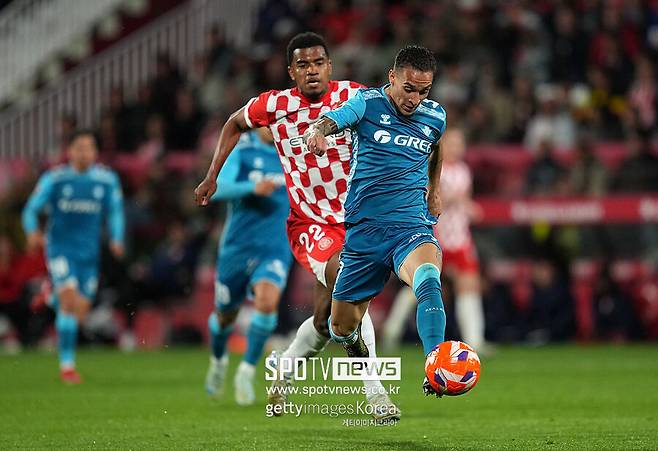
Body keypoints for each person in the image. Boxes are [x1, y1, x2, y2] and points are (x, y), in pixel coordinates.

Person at [194, 32, 398, 419]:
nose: (312, 70)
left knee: (325, 322)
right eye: (303, 65)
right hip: (310, 223)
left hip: (356, 221)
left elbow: (392, 127)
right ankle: (376, 394)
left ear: (330, 66)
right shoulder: (274, 105)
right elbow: (233, 124)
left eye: (318, 63)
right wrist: (212, 176)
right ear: (292, 71)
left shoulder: (355, 97)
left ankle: (283, 373)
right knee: (349, 281)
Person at [304, 45, 447, 396]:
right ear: (392, 77)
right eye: (408, 89)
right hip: (364, 233)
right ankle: (353, 342)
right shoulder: (367, 104)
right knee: (339, 327)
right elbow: (330, 120)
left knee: (428, 279)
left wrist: (434, 190)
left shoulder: (435, 116)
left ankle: (436, 365)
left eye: (424, 91)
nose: (415, 99)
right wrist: (316, 133)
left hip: (410, 226)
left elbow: (435, 147)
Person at [22, 129, 125, 383]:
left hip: (89, 255)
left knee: (79, 312)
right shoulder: (55, 179)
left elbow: (115, 211)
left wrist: (117, 238)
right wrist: (32, 231)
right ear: (69, 151)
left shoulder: (106, 180)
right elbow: (30, 210)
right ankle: (67, 366)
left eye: (88, 148)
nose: (83, 153)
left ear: (95, 152)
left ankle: (50, 295)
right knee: (68, 303)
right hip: (60, 250)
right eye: (79, 148)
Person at [382, 127, 490, 354]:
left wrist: (470, 208)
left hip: (459, 238)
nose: (456, 148)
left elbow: (464, 201)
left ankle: (475, 340)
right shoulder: (430, 168)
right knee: (420, 284)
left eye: (460, 144)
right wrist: (449, 198)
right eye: (452, 144)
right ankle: (392, 330)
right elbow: (425, 196)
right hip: (435, 235)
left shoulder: (464, 171)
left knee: (468, 285)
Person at [204, 128, 292, 406]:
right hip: (237, 248)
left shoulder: (292, 152)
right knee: (224, 318)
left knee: (267, 303)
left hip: (274, 247)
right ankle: (218, 361)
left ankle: (247, 370)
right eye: (267, 121)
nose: (273, 126)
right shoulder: (240, 150)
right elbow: (218, 187)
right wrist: (251, 188)